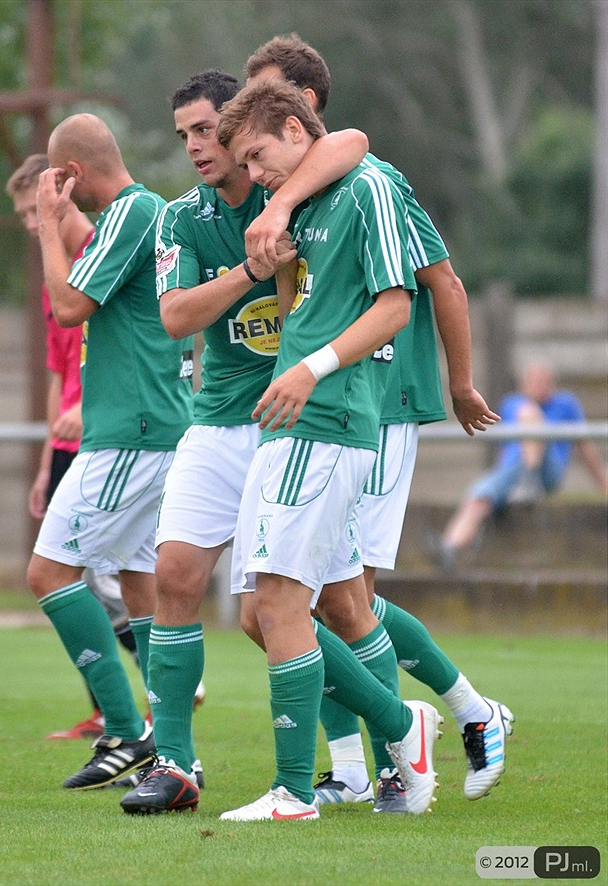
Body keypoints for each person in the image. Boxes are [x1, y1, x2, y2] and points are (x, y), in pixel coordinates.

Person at [117, 69, 407, 816]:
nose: (196, 147)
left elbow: (349, 139)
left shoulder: (312, 190)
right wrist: (251, 269)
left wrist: (277, 203)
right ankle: (177, 765)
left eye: (206, 131)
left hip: (300, 424)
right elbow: (177, 317)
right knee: (176, 574)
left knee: (339, 606)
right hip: (219, 423)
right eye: (183, 134)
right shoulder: (184, 218)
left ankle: (398, 744)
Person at [242, 34, 515, 810]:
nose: (252, 121)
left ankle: (435, 728)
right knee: (306, 602)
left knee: (340, 597)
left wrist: (460, 385)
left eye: (269, 95)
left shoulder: (370, 178)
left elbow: (439, 285)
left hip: (378, 404)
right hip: (323, 408)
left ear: (307, 110)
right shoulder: (292, 196)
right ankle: (374, 757)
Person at [209, 79, 445, 823]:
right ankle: (403, 726)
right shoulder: (305, 201)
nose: (255, 175)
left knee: (280, 604)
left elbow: (397, 306)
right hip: (292, 418)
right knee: (261, 614)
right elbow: (300, 301)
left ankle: (291, 794)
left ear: (292, 126)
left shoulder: (368, 187)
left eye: (258, 155)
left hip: (330, 417)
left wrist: (311, 367)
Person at [27, 113, 194, 790]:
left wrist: (46, 222)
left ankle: (128, 732)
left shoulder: (134, 211)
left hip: (133, 431)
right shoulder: (136, 218)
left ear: (73, 173)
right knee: (137, 584)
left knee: (48, 573)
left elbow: (68, 306)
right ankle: (174, 746)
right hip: (144, 426)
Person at [7, 153, 139, 742]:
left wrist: (86, 408)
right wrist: (46, 461)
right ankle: (125, 718)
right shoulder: (55, 268)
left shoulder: (114, 242)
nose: (31, 223)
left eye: (34, 210)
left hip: (119, 435)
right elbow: (65, 365)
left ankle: (139, 717)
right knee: (106, 578)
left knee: (84, 577)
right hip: (81, 440)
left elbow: (137, 342)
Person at [439, 361, 608, 569]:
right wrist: (499, 484)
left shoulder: (565, 404)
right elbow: (505, 450)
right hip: (513, 471)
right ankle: (449, 546)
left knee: (530, 415)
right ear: (524, 384)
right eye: (535, 381)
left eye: (545, 381)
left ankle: (531, 480)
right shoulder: (511, 403)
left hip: (547, 470)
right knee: (480, 495)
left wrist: (604, 486)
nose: (540, 386)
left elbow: (585, 448)